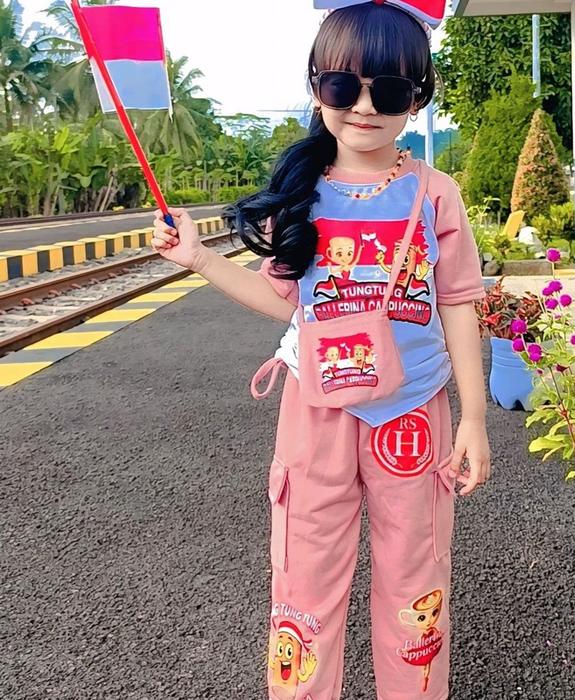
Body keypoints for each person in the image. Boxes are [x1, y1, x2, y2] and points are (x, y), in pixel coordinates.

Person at [152, 3, 491, 698]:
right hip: (315, 410)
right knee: (303, 581)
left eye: (388, 91)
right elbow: (284, 300)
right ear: (316, 89)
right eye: (343, 86)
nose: (364, 107)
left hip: (412, 413)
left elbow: (458, 303)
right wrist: (199, 260)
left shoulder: (436, 195)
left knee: (417, 580)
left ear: (417, 97)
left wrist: (476, 418)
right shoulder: (301, 196)